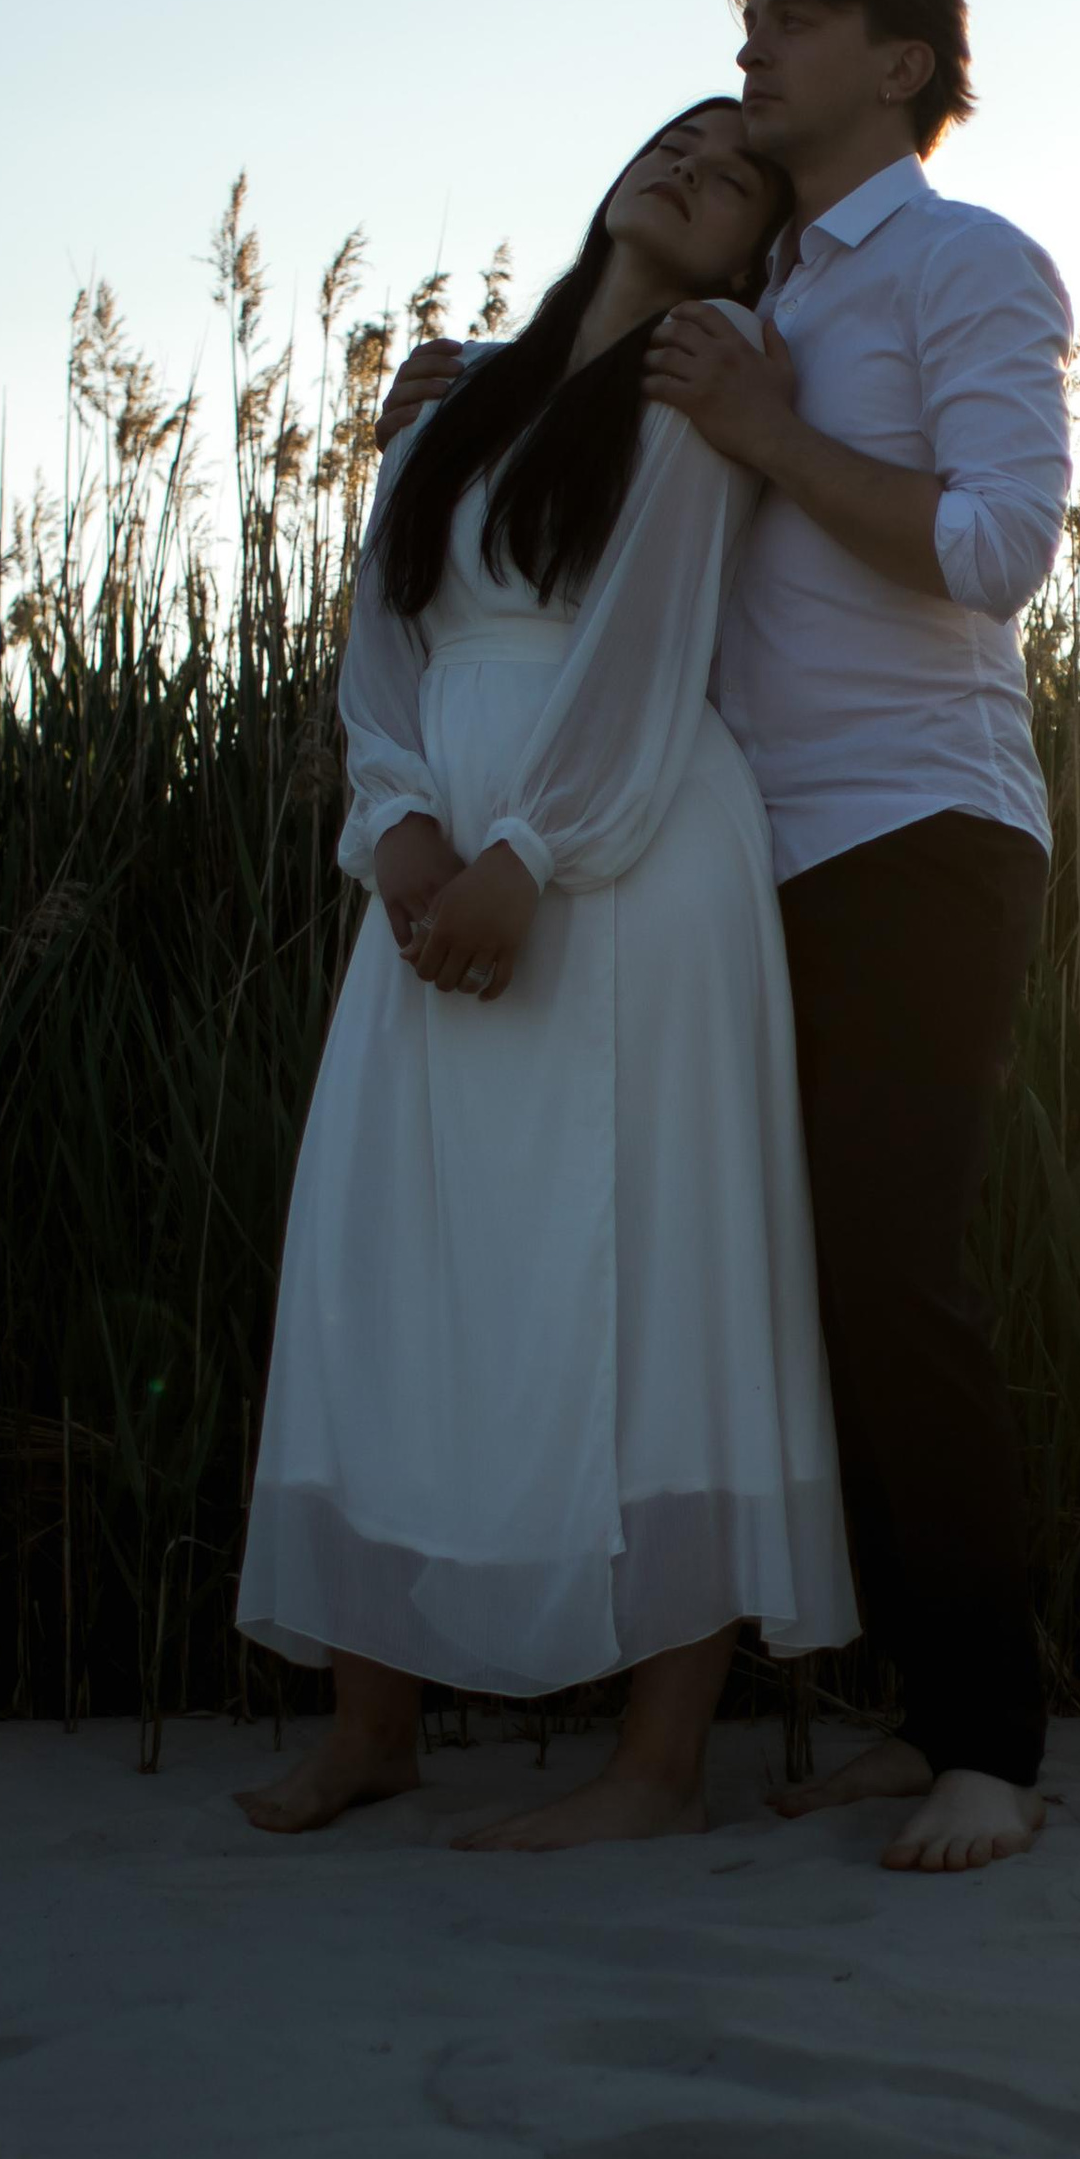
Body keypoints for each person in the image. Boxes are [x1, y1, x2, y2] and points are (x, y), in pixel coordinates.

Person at [382, 0, 1072, 1871]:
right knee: (781, 1288)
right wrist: (482, 380)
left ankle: (991, 1750)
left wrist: (771, 433)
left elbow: (999, 544)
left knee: (888, 1271)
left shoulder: (959, 262)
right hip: (729, 849)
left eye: (794, 20)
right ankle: (907, 1706)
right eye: (745, 18)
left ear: (898, 59)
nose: (755, 47)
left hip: (912, 827)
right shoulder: (752, 278)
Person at [233, 102, 859, 1848]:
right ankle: (374, 1724)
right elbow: (382, 636)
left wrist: (532, 854)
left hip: (631, 854)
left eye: (735, 173)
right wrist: (402, 829)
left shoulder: (711, 364)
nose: (688, 169)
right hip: (442, 864)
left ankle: (656, 1765)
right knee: (395, 1250)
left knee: (656, 1261)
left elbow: (657, 637)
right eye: (674, 142)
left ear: (754, 251)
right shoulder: (465, 394)